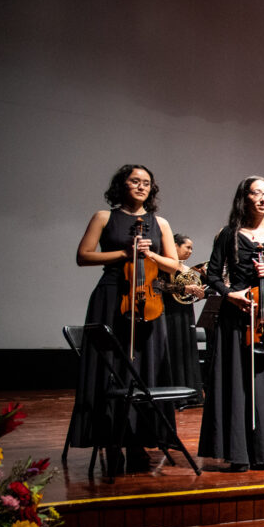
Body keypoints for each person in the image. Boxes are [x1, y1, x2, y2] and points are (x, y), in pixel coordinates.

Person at [72, 164, 181, 474]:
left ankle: (138, 440)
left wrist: (150, 256)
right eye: (135, 181)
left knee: (145, 369)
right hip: (110, 296)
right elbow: (84, 256)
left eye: (146, 182)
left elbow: (173, 266)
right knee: (110, 368)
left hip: (148, 299)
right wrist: (124, 254)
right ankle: (108, 439)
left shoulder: (160, 223)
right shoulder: (104, 217)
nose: (141, 186)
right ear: (122, 184)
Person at [198, 176, 264, 471]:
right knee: (237, 381)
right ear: (245, 197)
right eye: (257, 193)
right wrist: (230, 294)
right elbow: (212, 274)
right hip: (236, 315)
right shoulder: (229, 234)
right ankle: (237, 452)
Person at [162, 233, 207, 407]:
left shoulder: (187, 270)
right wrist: (184, 287)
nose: (190, 251)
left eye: (191, 248)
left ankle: (191, 395)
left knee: (187, 351)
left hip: (185, 313)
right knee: (173, 351)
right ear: (174, 246)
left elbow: (190, 294)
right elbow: (159, 286)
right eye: (187, 247)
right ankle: (174, 397)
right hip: (169, 314)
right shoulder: (164, 266)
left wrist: (199, 293)